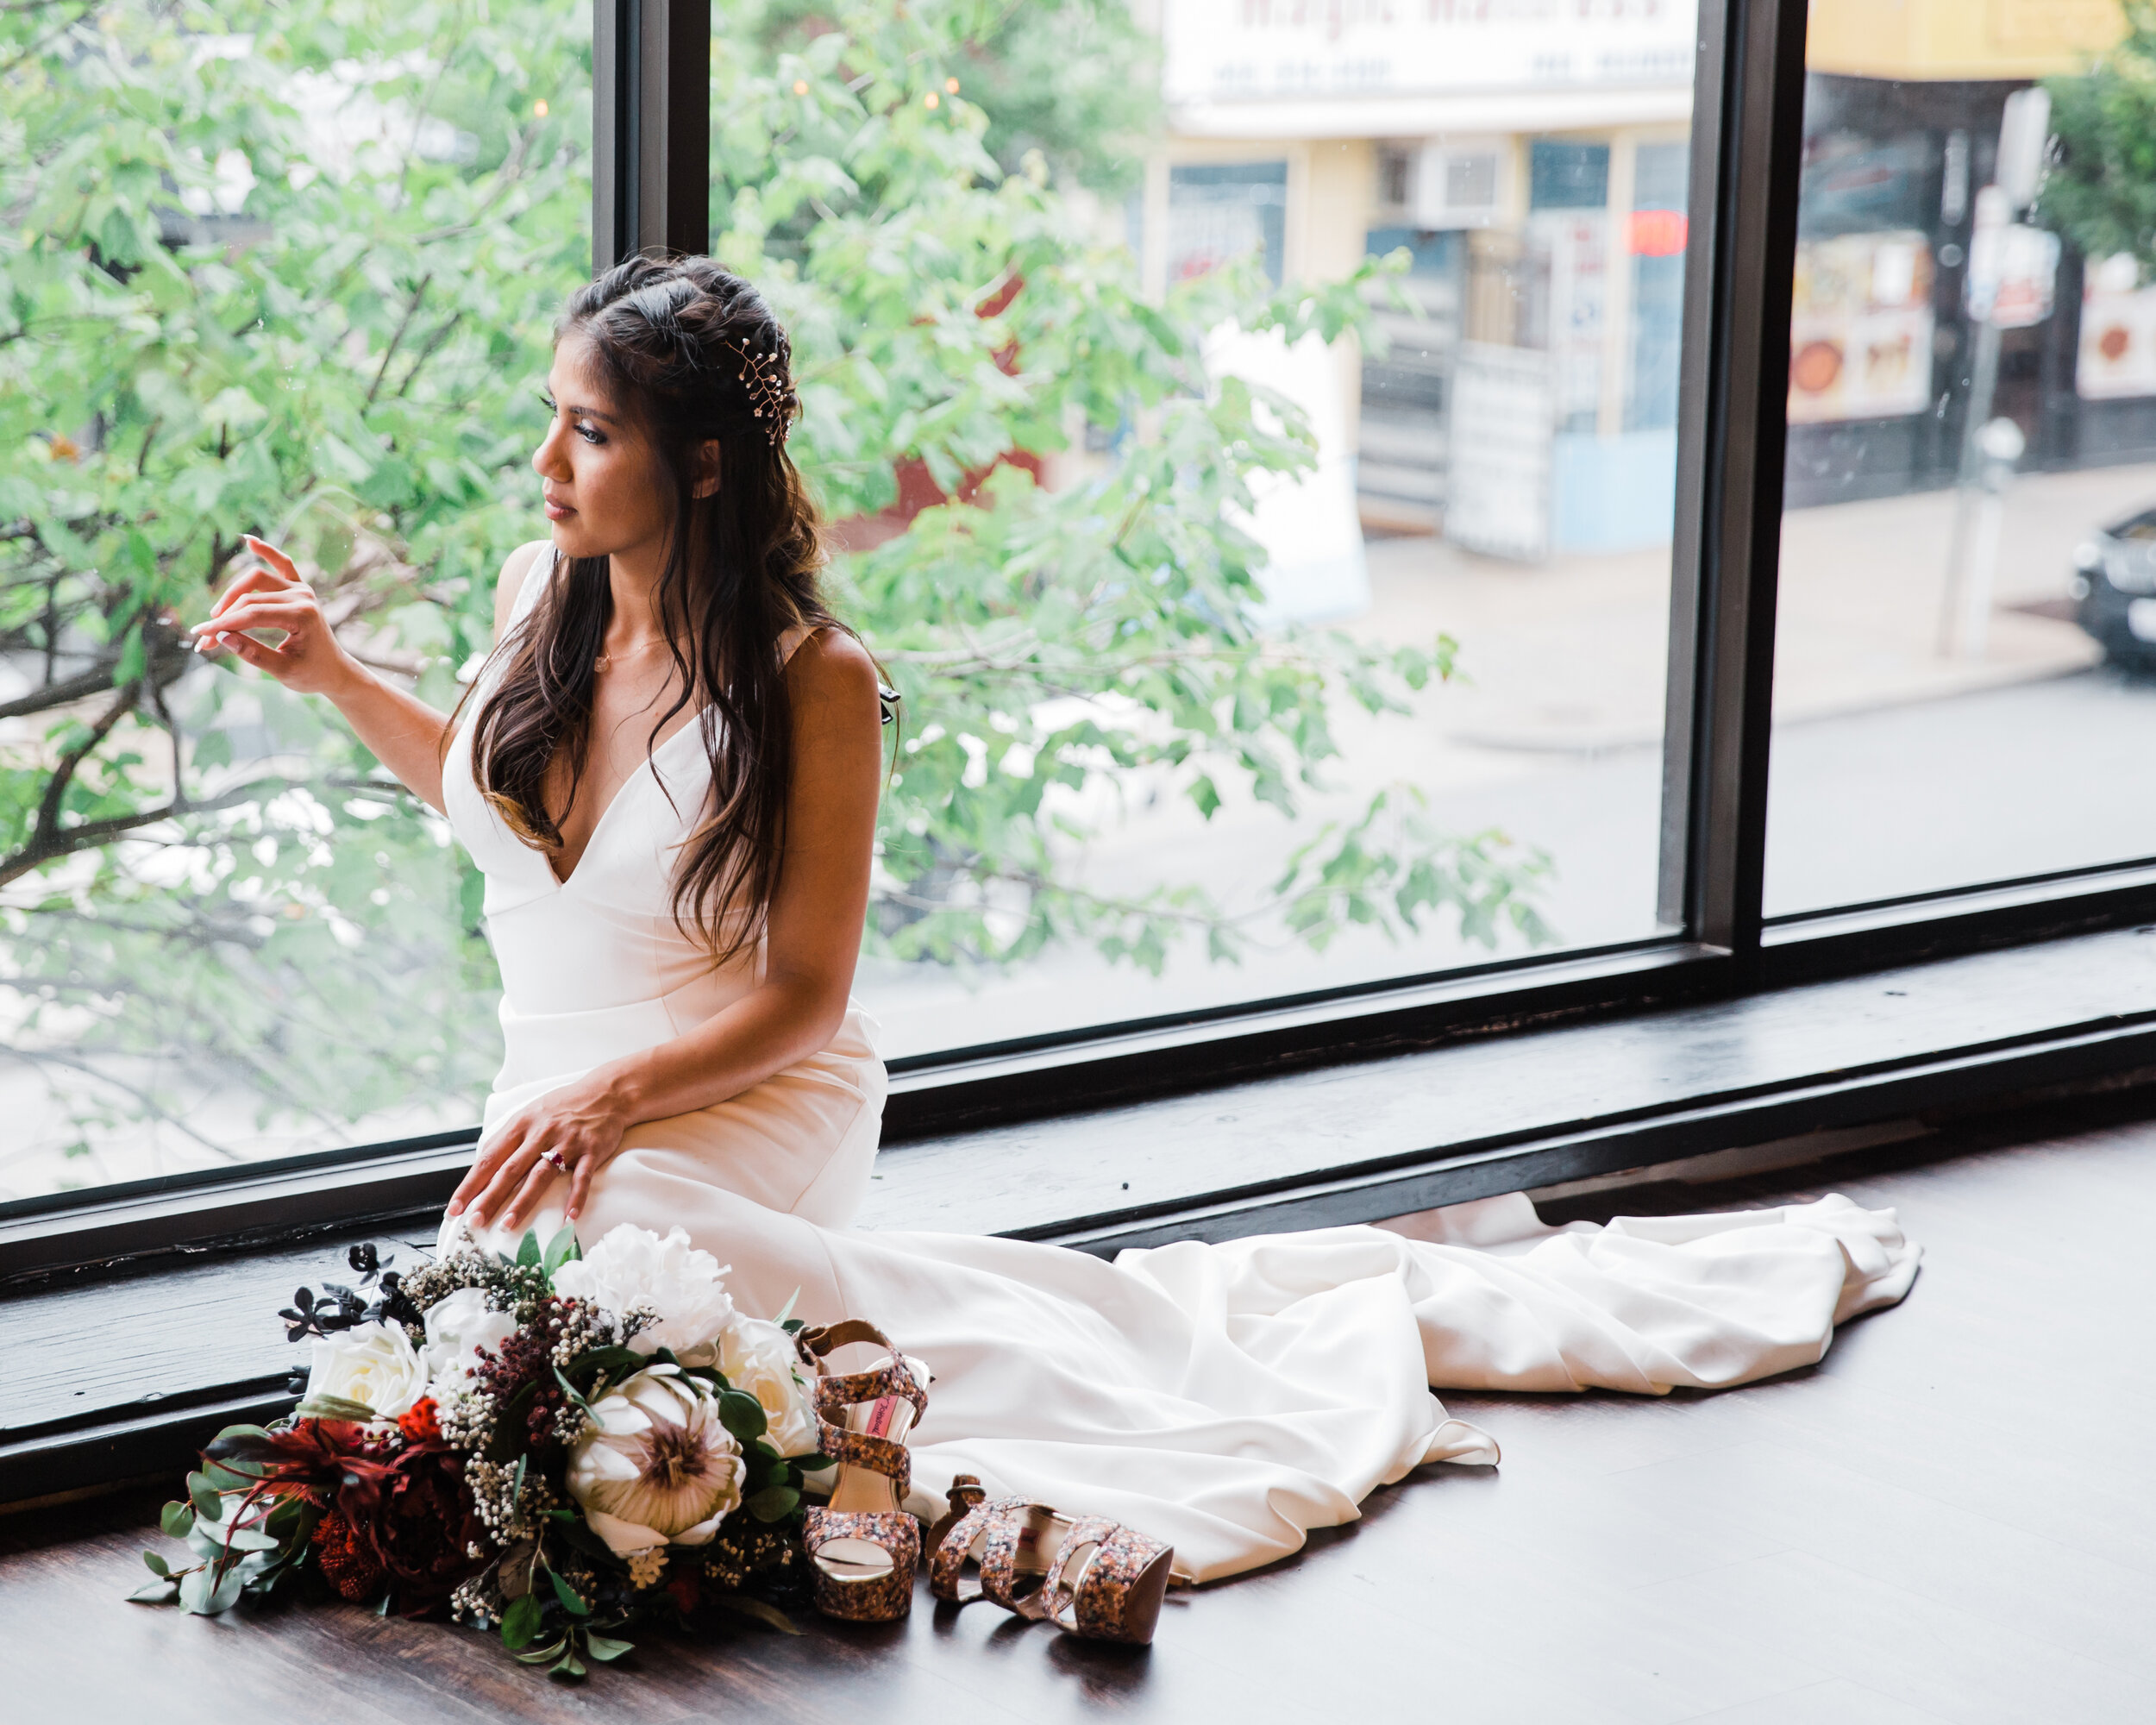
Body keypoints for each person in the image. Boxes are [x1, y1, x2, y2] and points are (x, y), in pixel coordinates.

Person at [194, 255, 1920, 1614]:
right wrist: (338, 674)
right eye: (550, 418)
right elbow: (495, 813)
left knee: (581, 1237)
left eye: (586, 429)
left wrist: (613, 1103)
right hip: (559, 1099)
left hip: (734, 1091)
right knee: (535, 1272)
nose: (544, 462)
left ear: (699, 460)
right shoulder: (532, 594)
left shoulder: (815, 683)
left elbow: (803, 998)